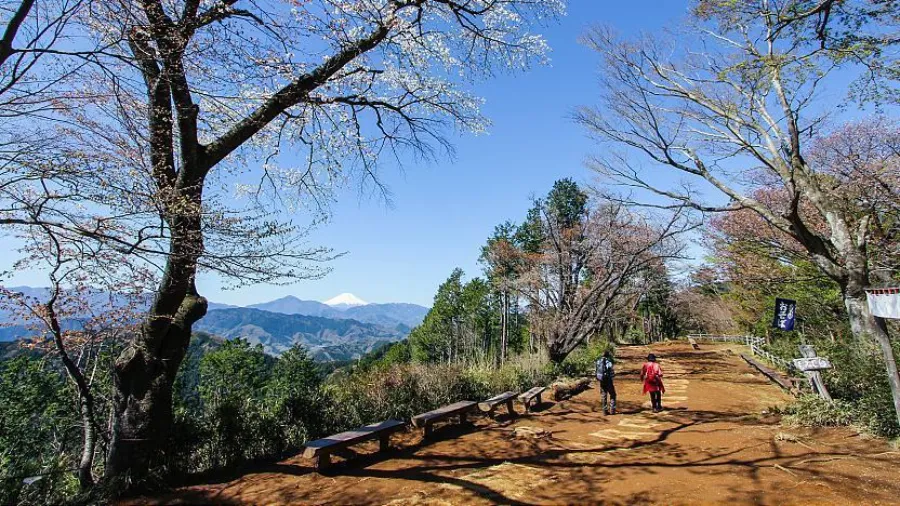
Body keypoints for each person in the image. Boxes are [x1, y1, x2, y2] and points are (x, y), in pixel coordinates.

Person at [595, 350, 616, 415]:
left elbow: (596, 370)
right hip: (608, 380)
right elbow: (612, 372)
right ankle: (612, 410)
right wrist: (613, 376)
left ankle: (604, 411)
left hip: (601, 380)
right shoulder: (609, 362)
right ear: (608, 355)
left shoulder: (598, 361)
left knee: (603, 395)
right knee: (613, 394)